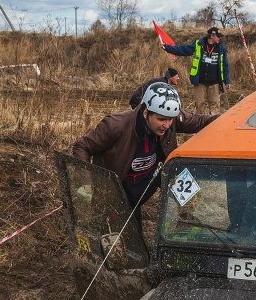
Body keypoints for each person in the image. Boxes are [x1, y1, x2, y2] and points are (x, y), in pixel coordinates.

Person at [71, 84, 218, 208]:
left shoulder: (172, 119)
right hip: (118, 192)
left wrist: (234, 117)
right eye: (161, 119)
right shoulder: (115, 125)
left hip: (155, 177)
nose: (167, 125)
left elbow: (201, 121)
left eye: (170, 120)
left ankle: (184, 228)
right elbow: (81, 147)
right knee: (124, 238)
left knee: (192, 198)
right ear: (146, 112)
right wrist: (85, 182)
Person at [162, 27, 230, 113]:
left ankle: (213, 125)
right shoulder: (199, 44)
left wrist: (227, 81)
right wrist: (167, 48)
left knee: (215, 106)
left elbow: (225, 65)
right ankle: (200, 125)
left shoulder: (221, 48)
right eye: (218, 36)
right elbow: (183, 50)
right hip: (199, 82)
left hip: (215, 83)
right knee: (199, 106)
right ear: (212, 36)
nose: (219, 38)